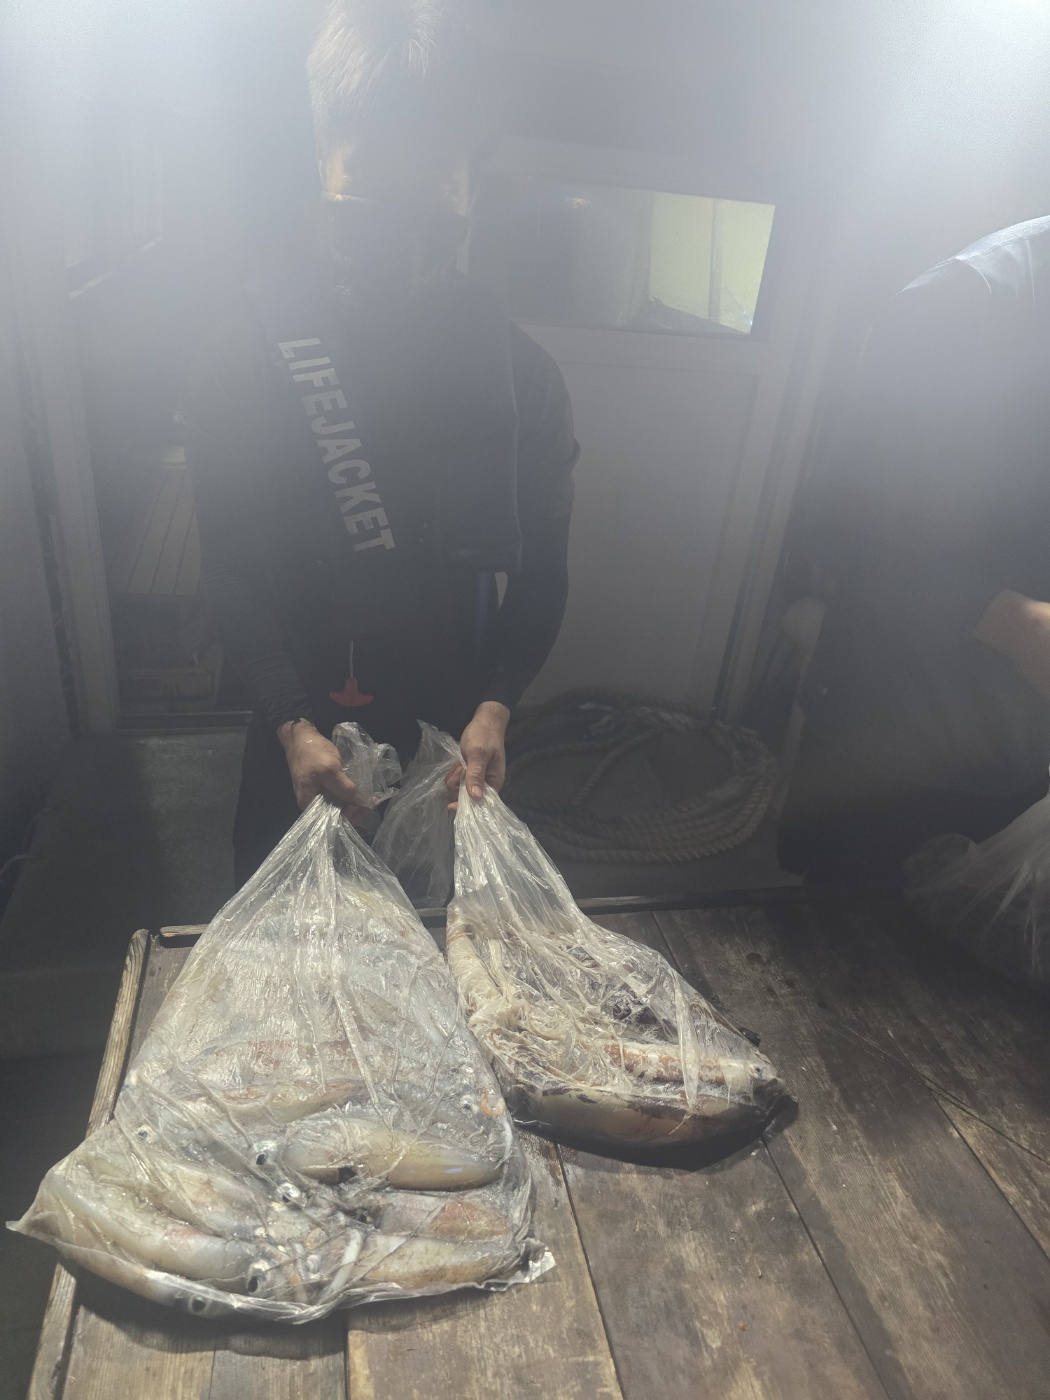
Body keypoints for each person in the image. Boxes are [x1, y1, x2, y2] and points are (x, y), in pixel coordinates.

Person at [181, 0, 578, 885]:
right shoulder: (243, 355)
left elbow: (543, 575)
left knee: (438, 942)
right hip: (295, 730)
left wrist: (497, 706)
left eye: (430, 178)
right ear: (322, 160)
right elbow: (232, 569)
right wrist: (291, 724)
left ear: (471, 181)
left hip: (454, 744)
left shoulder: (526, 380)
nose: (399, 219)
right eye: (368, 177)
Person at [779, 216, 1050, 889]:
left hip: (1022, 756)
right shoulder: (963, 306)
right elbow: (836, 521)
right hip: (892, 752)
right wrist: (1009, 620)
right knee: (839, 938)